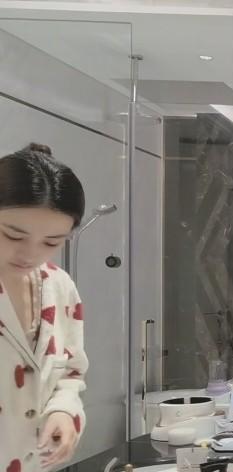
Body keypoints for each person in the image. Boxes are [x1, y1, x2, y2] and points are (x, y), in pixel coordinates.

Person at [0, 144, 89, 471]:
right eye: (12, 235)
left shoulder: (58, 285)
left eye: (52, 242)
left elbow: (70, 371)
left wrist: (63, 410)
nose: (31, 254)